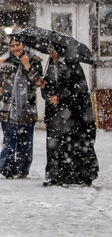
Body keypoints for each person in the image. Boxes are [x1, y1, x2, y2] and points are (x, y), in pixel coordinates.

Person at [41, 45, 99, 186]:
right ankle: (57, 175)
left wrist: (60, 97)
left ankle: (77, 175)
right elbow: (48, 92)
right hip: (56, 115)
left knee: (73, 143)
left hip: (73, 114)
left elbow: (77, 89)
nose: (52, 55)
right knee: (56, 144)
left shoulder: (72, 65)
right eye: (50, 52)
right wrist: (45, 88)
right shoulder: (50, 66)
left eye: (55, 51)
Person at [0, 37, 43, 179]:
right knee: (9, 140)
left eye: (18, 44)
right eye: (12, 46)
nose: (15, 48)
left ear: (24, 45)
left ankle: (22, 169)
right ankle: (7, 168)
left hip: (27, 110)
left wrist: (27, 66)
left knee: (26, 141)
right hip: (8, 110)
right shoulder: (6, 63)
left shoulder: (35, 61)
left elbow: (39, 82)